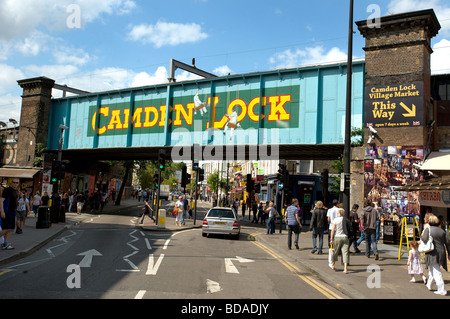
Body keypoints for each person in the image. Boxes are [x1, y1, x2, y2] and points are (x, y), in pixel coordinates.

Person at [422, 214, 450, 295]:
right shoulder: (442, 231)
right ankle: (429, 285)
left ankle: (442, 289)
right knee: (433, 269)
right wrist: (449, 253)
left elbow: (424, 239)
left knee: (436, 270)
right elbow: (447, 243)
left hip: (432, 252)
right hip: (441, 252)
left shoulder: (428, 230)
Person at [329, 208, 352, 273]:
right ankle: (345, 268)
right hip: (345, 237)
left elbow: (333, 230)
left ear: (338, 213)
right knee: (345, 253)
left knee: (335, 251)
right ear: (343, 213)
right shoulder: (346, 220)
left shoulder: (335, 220)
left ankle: (333, 265)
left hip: (337, 237)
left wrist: (331, 238)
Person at [0, 178, 20, 249]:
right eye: (14, 182)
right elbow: (1, 200)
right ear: (11, 183)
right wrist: (2, 211)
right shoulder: (7, 190)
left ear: (18, 184)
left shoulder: (16, 191)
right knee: (6, 228)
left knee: (10, 228)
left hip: (13, 211)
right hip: (7, 211)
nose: (15, 184)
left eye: (17, 183)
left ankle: (5, 244)